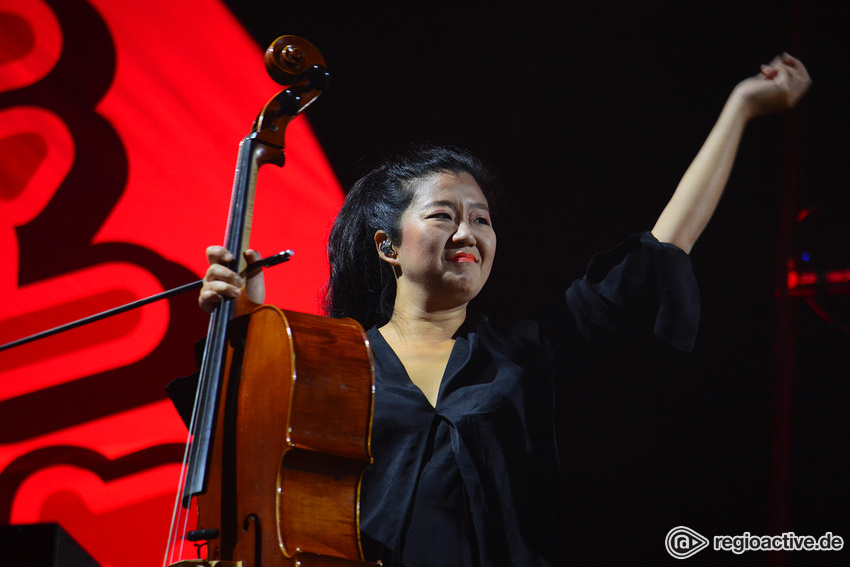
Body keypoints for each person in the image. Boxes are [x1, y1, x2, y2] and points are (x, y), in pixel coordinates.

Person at [198, 54, 810, 566]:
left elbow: (659, 253)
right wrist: (245, 318)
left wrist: (741, 108)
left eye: (482, 220)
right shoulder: (337, 364)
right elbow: (250, 450)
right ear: (387, 245)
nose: (470, 233)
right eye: (444, 215)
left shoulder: (526, 353)